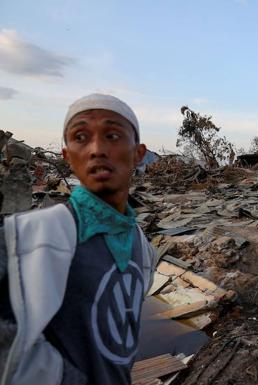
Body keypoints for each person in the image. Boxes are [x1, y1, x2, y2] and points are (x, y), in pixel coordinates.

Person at [0, 94, 157, 385]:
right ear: (67, 156)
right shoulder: (30, 236)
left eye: (112, 135)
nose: (97, 149)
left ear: (138, 153)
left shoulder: (142, 246)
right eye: (81, 137)